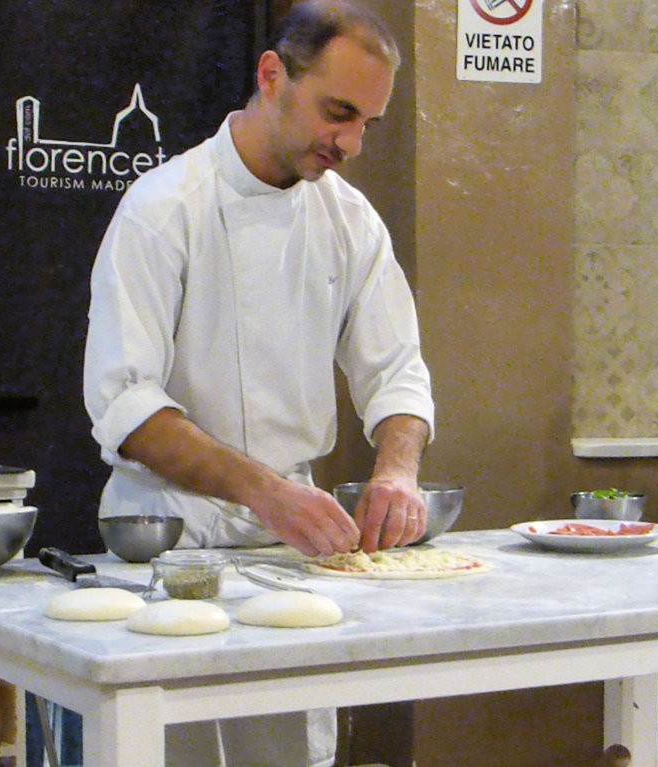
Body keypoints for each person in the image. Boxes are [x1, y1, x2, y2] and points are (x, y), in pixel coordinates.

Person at [83, 2, 434, 765]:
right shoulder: (161, 210)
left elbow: (396, 369)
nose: (350, 143)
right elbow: (128, 406)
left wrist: (398, 471)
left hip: (287, 551)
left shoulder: (350, 223)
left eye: (367, 123)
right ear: (272, 76)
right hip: (168, 541)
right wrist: (267, 491)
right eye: (337, 112)